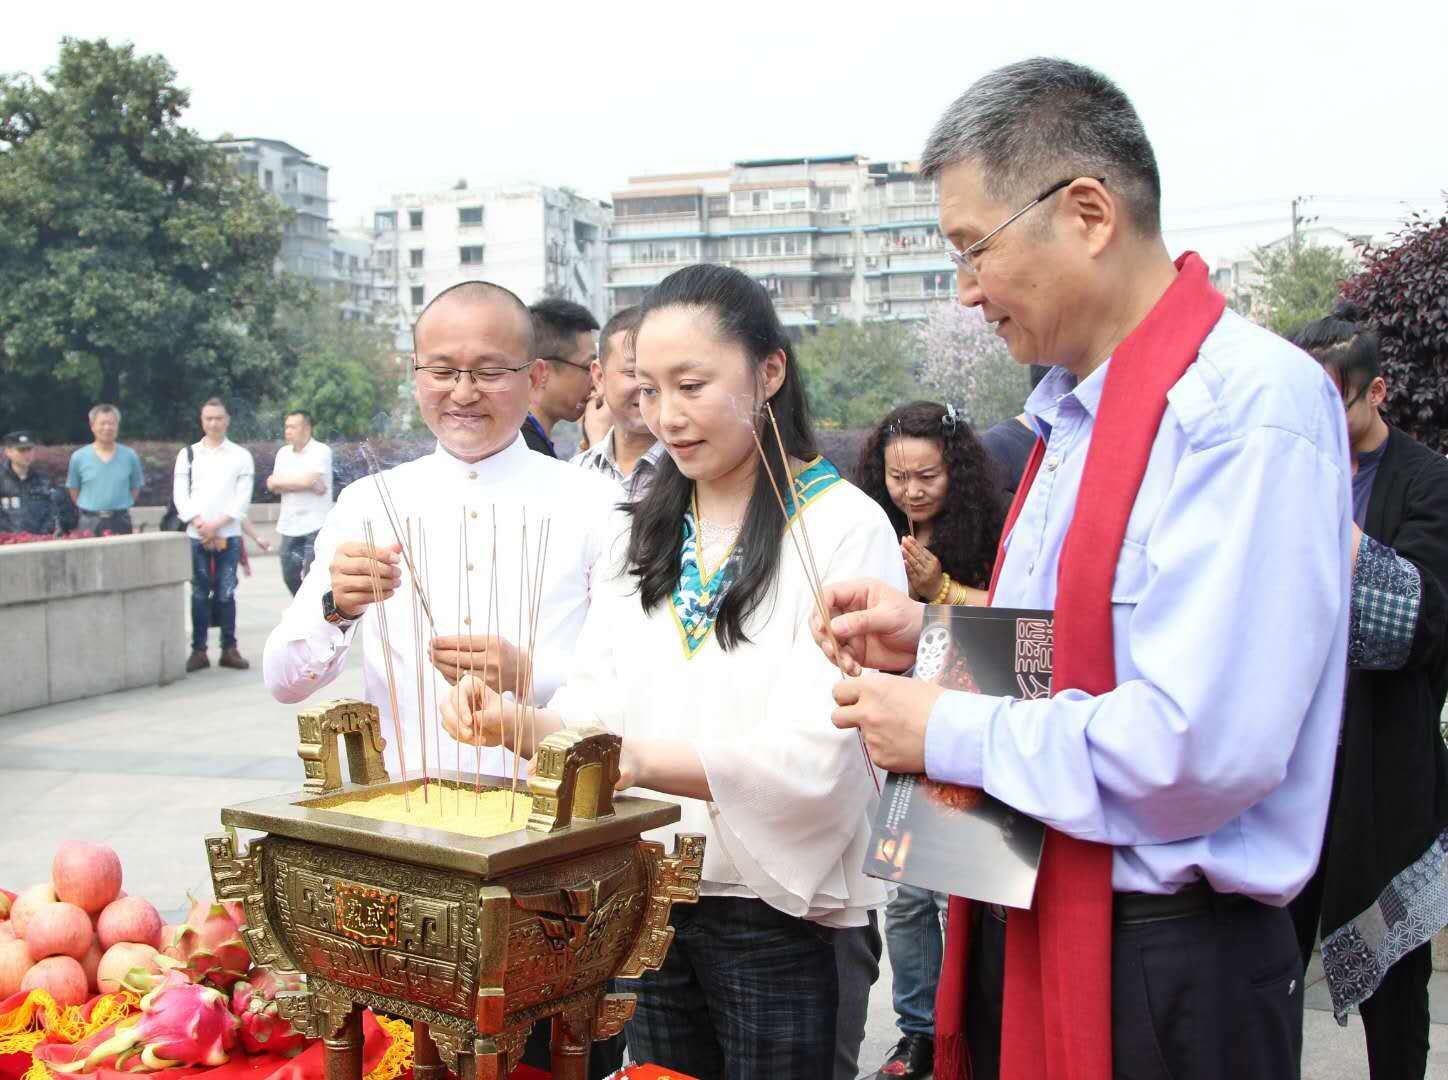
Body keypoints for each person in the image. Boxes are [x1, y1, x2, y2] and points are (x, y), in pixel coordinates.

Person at [812, 58, 1352, 1080]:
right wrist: (925, 647)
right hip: (1029, 897)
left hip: (1157, 954)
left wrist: (943, 724)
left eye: (973, 249)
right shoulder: (1067, 418)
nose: (965, 293)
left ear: (1088, 213)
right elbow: (1062, 658)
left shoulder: (1242, 410)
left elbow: (1196, 747)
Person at [442, 264, 904, 1079]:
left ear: (769, 372)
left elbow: (825, 746)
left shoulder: (842, 526)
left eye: (691, 385)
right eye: (648, 390)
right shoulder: (644, 531)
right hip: (647, 892)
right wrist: (525, 728)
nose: (667, 417)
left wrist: (636, 762)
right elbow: (598, 694)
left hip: (781, 908)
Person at [261, 281, 623, 1078]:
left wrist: (531, 678)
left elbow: (626, 684)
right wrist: (335, 608)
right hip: (409, 857)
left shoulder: (597, 504)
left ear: (533, 378)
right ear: (415, 376)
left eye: (489, 370)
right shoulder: (368, 503)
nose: (463, 392)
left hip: (551, 853)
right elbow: (283, 677)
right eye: (442, 370)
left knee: (548, 1052)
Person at [1286, 307, 1448, 1080]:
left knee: (1394, 970)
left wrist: (1324, 508)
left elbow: (1421, 621)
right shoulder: (1275, 478)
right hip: (1286, 768)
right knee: (1268, 962)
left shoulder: (1428, 481)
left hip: (1387, 762)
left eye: (1330, 404)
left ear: (1375, 390)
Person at [854, 400, 1006, 1080]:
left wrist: (937, 588)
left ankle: (964, 1029)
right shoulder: (870, 528)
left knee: (956, 892)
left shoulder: (990, 525)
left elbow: (1016, 622)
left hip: (966, 719)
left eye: (928, 476)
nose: (911, 491)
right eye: (897, 476)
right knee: (906, 893)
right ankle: (918, 1031)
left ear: (957, 471)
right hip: (894, 724)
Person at [174, 398, 255, 672]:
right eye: (208, 418)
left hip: (229, 535)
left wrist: (217, 524)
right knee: (198, 593)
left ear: (227, 420)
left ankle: (229, 649)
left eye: (218, 418)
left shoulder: (241, 456)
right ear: (201, 420)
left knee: (226, 592)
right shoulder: (188, 454)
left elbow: (242, 500)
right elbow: (180, 496)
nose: (213, 423)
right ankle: (198, 651)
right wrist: (199, 523)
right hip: (196, 535)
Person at [572, 305, 666, 501]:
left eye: (659, 374)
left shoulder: (694, 472)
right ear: (599, 376)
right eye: (633, 373)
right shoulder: (575, 473)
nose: (646, 386)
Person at [266, 410, 334, 595]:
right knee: (289, 573)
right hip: (290, 523)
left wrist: (288, 482)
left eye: (293, 427)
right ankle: (302, 607)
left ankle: (314, 612)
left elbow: (288, 481)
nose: (288, 431)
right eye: (286, 427)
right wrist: (307, 483)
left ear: (306, 429)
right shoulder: (283, 453)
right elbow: (272, 484)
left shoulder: (321, 450)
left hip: (316, 524)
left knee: (314, 574)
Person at [520, 298, 599, 457]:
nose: (595, 381)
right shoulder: (524, 452)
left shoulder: (524, 439)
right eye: (587, 367)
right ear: (540, 373)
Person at [66, 405, 144, 536]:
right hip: (89, 521)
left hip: (120, 521)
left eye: (111, 423)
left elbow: (135, 488)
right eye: (102, 423)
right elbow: (74, 490)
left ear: (117, 426)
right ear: (92, 426)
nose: (107, 428)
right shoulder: (78, 457)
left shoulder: (130, 456)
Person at [1, 430, 73, 536]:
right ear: (8, 452)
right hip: (6, 545)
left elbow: (54, 512)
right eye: (21, 450)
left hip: (38, 543)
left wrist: (41, 536)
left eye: (29, 450)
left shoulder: (44, 480)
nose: (27, 454)